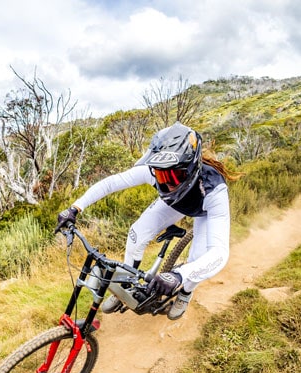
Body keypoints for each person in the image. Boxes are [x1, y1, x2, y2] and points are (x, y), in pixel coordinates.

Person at [56, 121, 235, 320]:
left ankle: (185, 294)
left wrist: (179, 276)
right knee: (136, 234)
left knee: (196, 261)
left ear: (190, 168)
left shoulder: (214, 190)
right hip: (173, 205)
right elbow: (112, 183)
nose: (165, 182)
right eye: (160, 174)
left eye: (174, 176)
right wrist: (75, 207)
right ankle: (125, 287)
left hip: (204, 213)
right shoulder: (154, 168)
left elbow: (219, 252)